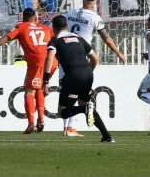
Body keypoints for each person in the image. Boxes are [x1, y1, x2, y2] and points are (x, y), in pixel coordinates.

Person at [0, 8, 58, 134]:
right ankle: (41, 120)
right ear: (36, 18)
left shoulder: (21, 27)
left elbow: (2, 41)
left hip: (37, 64)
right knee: (39, 88)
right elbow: (55, 42)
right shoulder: (46, 28)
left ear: (23, 18)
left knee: (29, 91)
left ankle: (31, 124)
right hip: (52, 62)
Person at [63, 0, 126, 136]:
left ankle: (67, 127)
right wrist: (118, 52)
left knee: (66, 90)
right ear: (95, 3)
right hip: (80, 57)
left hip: (64, 54)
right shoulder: (95, 18)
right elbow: (107, 39)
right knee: (77, 91)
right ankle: (71, 127)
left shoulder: (70, 13)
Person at [43, 15, 115, 143]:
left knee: (63, 112)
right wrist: (86, 73)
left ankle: (83, 110)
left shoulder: (55, 40)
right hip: (88, 74)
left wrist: (46, 81)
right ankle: (107, 136)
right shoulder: (78, 38)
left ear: (54, 28)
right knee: (85, 103)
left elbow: (49, 58)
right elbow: (95, 59)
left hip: (72, 75)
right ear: (67, 26)